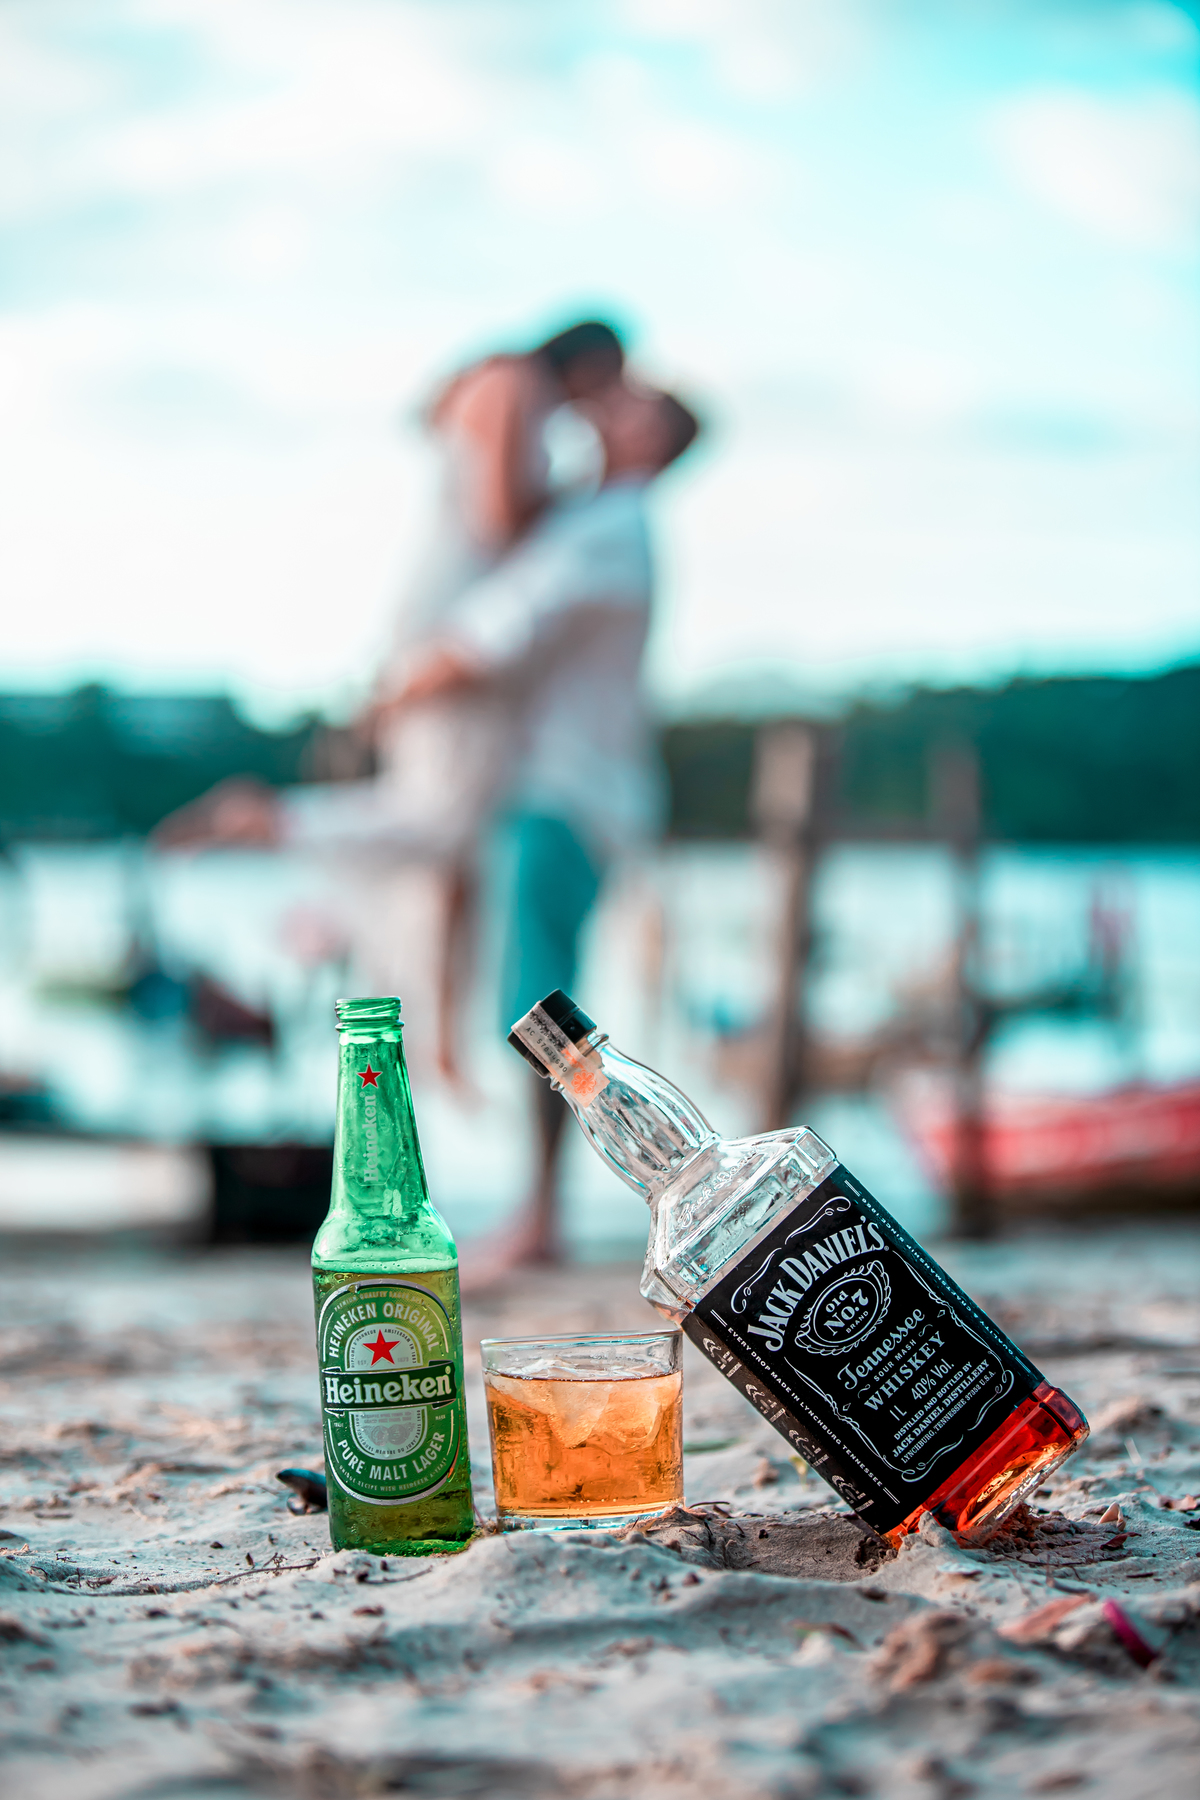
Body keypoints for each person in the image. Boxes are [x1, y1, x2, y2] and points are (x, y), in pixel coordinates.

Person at [159, 321, 626, 1085]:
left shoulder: (495, 384)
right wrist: (593, 494)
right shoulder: (517, 384)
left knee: (455, 833)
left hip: (454, 622)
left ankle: (441, 1038)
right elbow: (502, 516)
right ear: (591, 355)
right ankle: (270, 817)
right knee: (442, 821)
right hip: (459, 632)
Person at [391, 380, 701, 1262]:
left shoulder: (610, 526)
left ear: (657, 440)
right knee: (538, 1002)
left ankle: (542, 1214)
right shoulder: (597, 518)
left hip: (564, 793)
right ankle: (547, 1209)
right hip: (566, 792)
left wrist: (399, 686)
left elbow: (498, 630)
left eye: (638, 403)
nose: (612, 402)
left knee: (538, 1005)